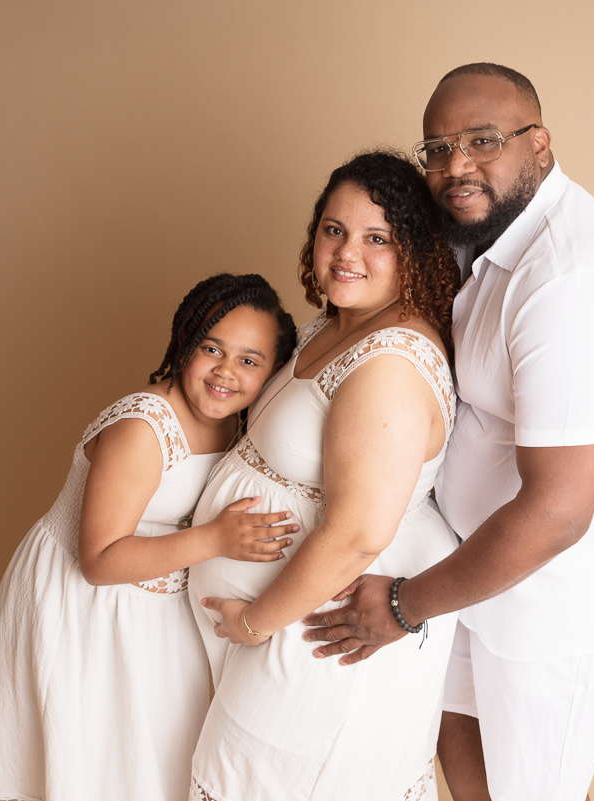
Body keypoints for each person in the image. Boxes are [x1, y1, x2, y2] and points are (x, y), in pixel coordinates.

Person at [303, 63, 594, 801]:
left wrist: (408, 603)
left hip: (557, 601)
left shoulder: (573, 282)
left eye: (482, 140)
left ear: (540, 144)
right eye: (437, 148)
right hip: (476, 575)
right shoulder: (482, 237)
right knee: (459, 754)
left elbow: (559, 511)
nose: (455, 166)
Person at [187, 151, 463, 801]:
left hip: (314, 634)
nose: (347, 252)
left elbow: (358, 534)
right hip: (284, 625)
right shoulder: (338, 325)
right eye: (334, 229)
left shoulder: (388, 365)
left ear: (415, 254)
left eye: (378, 239)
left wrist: (256, 622)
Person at [0, 274, 299, 801]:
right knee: (89, 755)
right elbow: (100, 560)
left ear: (271, 374)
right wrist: (218, 540)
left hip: (153, 593)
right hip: (80, 597)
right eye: (211, 348)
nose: (226, 371)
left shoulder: (235, 423)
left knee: (149, 755)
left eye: (249, 360)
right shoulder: (144, 426)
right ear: (183, 343)